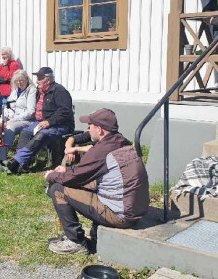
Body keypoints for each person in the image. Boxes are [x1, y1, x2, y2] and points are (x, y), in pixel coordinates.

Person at [44, 109, 149, 254]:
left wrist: (52, 175)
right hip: (136, 209)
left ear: (99, 129)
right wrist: (66, 171)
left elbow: (75, 177)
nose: (88, 129)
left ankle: (76, 242)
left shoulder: (101, 151)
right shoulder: (121, 141)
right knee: (86, 183)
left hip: (121, 215)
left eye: (90, 125)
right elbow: (83, 174)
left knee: (57, 189)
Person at [6, 67, 74, 175]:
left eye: (40, 78)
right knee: (25, 132)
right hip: (41, 122)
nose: (37, 81)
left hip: (60, 125)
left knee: (42, 135)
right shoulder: (40, 92)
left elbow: (65, 112)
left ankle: (17, 160)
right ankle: (23, 165)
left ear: (48, 80)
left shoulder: (59, 91)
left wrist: (49, 122)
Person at [0, 69, 37, 164]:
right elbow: (8, 107)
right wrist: (3, 118)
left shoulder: (31, 90)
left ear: (27, 79)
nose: (19, 83)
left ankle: (1, 158)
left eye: (21, 80)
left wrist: (14, 120)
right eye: (17, 81)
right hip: (13, 118)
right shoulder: (15, 90)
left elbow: (31, 112)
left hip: (27, 120)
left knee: (9, 128)